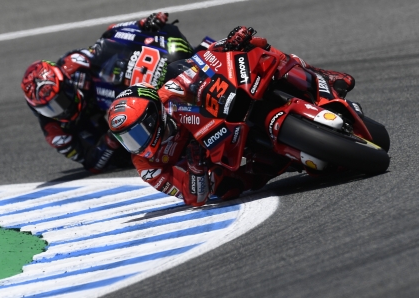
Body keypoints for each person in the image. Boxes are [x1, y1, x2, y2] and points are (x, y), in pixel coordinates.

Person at [106, 26, 356, 206]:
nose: (135, 145)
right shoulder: (146, 165)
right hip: (217, 163)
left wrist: (227, 45)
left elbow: (201, 64)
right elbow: (193, 197)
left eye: (136, 134)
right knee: (226, 190)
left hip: (222, 119)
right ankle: (281, 159)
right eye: (126, 140)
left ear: (153, 117)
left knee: (260, 51)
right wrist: (195, 168)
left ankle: (320, 77)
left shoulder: (168, 94)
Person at [21, 12, 193, 173]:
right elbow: (91, 163)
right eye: (49, 109)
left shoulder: (73, 64)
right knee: (122, 155)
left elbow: (109, 38)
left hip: (104, 97)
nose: (61, 109)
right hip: (96, 130)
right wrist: (109, 140)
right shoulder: (55, 132)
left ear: (65, 83)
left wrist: (142, 25)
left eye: (60, 101)